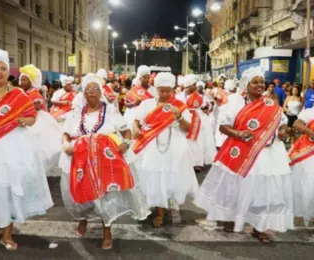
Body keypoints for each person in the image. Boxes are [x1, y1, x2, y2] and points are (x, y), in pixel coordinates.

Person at [194, 67, 293, 244]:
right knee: (237, 187)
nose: (260, 85)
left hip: (269, 153)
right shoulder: (236, 103)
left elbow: (282, 124)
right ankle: (232, 218)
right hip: (242, 151)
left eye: (261, 82)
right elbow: (223, 126)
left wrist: (283, 132)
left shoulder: (271, 104)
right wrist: (238, 133)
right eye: (255, 82)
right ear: (246, 85)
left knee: (266, 191)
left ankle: (260, 226)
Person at [59, 73, 150, 250]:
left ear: (100, 93)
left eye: (94, 89)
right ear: (83, 94)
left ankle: (106, 230)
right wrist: (65, 144)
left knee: (105, 196)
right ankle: (83, 220)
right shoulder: (77, 113)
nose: (91, 92)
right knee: (81, 190)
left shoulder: (110, 111)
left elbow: (125, 131)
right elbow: (66, 133)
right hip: (80, 159)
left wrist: (125, 143)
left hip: (105, 160)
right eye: (87, 90)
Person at [0, 49, 53, 250]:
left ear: (8, 71)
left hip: (12, 148)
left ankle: (7, 233)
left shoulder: (17, 94)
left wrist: (23, 121)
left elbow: (31, 116)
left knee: (8, 190)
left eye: (3, 68)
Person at [133, 72, 199, 228]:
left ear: (173, 90)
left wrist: (179, 117)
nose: (165, 94)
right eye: (161, 90)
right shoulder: (147, 104)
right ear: (156, 89)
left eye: (168, 91)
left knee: (171, 177)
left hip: (175, 146)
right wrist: (136, 129)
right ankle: (159, 211)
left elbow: (188, 128)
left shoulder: (180, 105)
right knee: (155, 177)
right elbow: (136, 121)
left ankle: (171, 204)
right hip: (151, 146)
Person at [19, 64, 62, 172]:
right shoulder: (24, 92)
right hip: (26, 119)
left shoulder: (34, 94)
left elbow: (35, 107)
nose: (22, 82)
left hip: (36, 120)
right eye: (21, 79)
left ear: (32, 81)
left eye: (25, 80)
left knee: (38, 145)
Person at [289, 107, 314, 226]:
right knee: (305, 183)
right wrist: (310, 133)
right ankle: (302, 213)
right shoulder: (309, 112)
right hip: (308, 151)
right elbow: (297, 124)